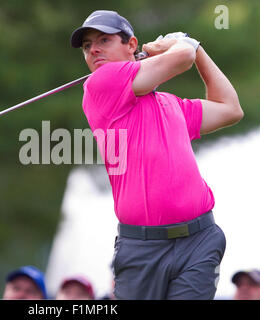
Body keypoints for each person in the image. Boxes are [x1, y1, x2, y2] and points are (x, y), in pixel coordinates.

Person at [70, 10, 243, 300]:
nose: (94, 49)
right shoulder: (101, 84)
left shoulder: (170, 104)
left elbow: (230, 108)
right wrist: (183, 45)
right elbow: (181, 58)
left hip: (199, 240)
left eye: (103, 40)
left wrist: (197, 48)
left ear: (131, 45)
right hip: (142, 249)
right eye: (88, 46)